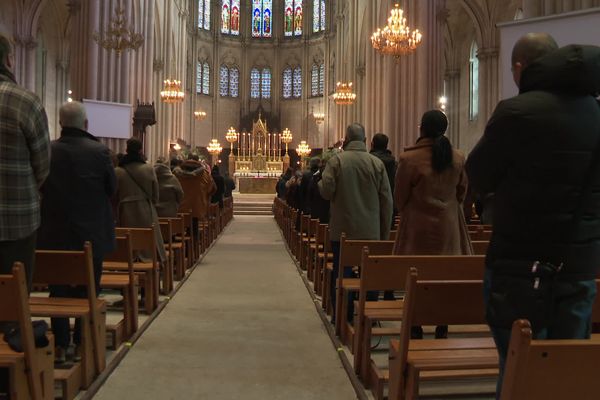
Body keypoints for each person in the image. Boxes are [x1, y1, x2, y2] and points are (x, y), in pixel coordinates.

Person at [465, 33, 600, 395]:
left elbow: (477, 175)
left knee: (518, 374)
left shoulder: (515, 112)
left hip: (519, 269)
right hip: (579, 268)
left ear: (521, 68)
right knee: (566, 376)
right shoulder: (597, 113)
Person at [37, 101, 116, 363]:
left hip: (54, 233)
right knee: (89, 290)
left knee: (57, 289)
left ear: (60, 123)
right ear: (86, 124)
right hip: (91, 234)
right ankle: (82, 343)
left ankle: (61, 345)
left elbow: (39, 184)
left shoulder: (47, 151)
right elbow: (111, 189)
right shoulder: (100, 152)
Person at [394, 110, 472, 339]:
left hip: (417, 228)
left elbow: (400, 197)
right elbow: (462, 192)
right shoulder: (457, 158)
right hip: (448, 227)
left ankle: (415, 325)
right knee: (444, 275)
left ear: (422, 129)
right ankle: (442, 325)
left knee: (416, 274)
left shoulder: (409, 159)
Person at [318, 123, 393, 321]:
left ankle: (342, 316)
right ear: (366, 141)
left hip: (342, 231)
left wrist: (321, 181)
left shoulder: (336, 162)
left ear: (346, 140)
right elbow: (387, 202)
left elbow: (326, 192)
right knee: (369, 273)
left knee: (342, 272)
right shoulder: (377, 164)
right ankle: (367, 316)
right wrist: (384, 234)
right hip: (370, 232)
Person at [0, 33, 50, 290]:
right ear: (9, 60)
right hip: (17, 218)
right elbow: (42, 165)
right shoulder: (25, 102)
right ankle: (12, 329)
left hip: (17, 217)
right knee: (15, 295)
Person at [115, 138, 166, 264]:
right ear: (140, 150)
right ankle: (149, 267)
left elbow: (114, 195)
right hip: (145, 210)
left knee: (128, 240)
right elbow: (155, 195)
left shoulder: (118, 171)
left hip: (125, 211)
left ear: (126, 150)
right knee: (147, 243)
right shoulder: (148, 169)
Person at [174, 157, 216, 244]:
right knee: (193, 228)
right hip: (197, 206)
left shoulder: (176, 173)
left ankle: (181, 250)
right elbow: (212, 188)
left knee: (179, 229)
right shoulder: (204, 173)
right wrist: (205, 195)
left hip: (180, 206)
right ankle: (193, 247)